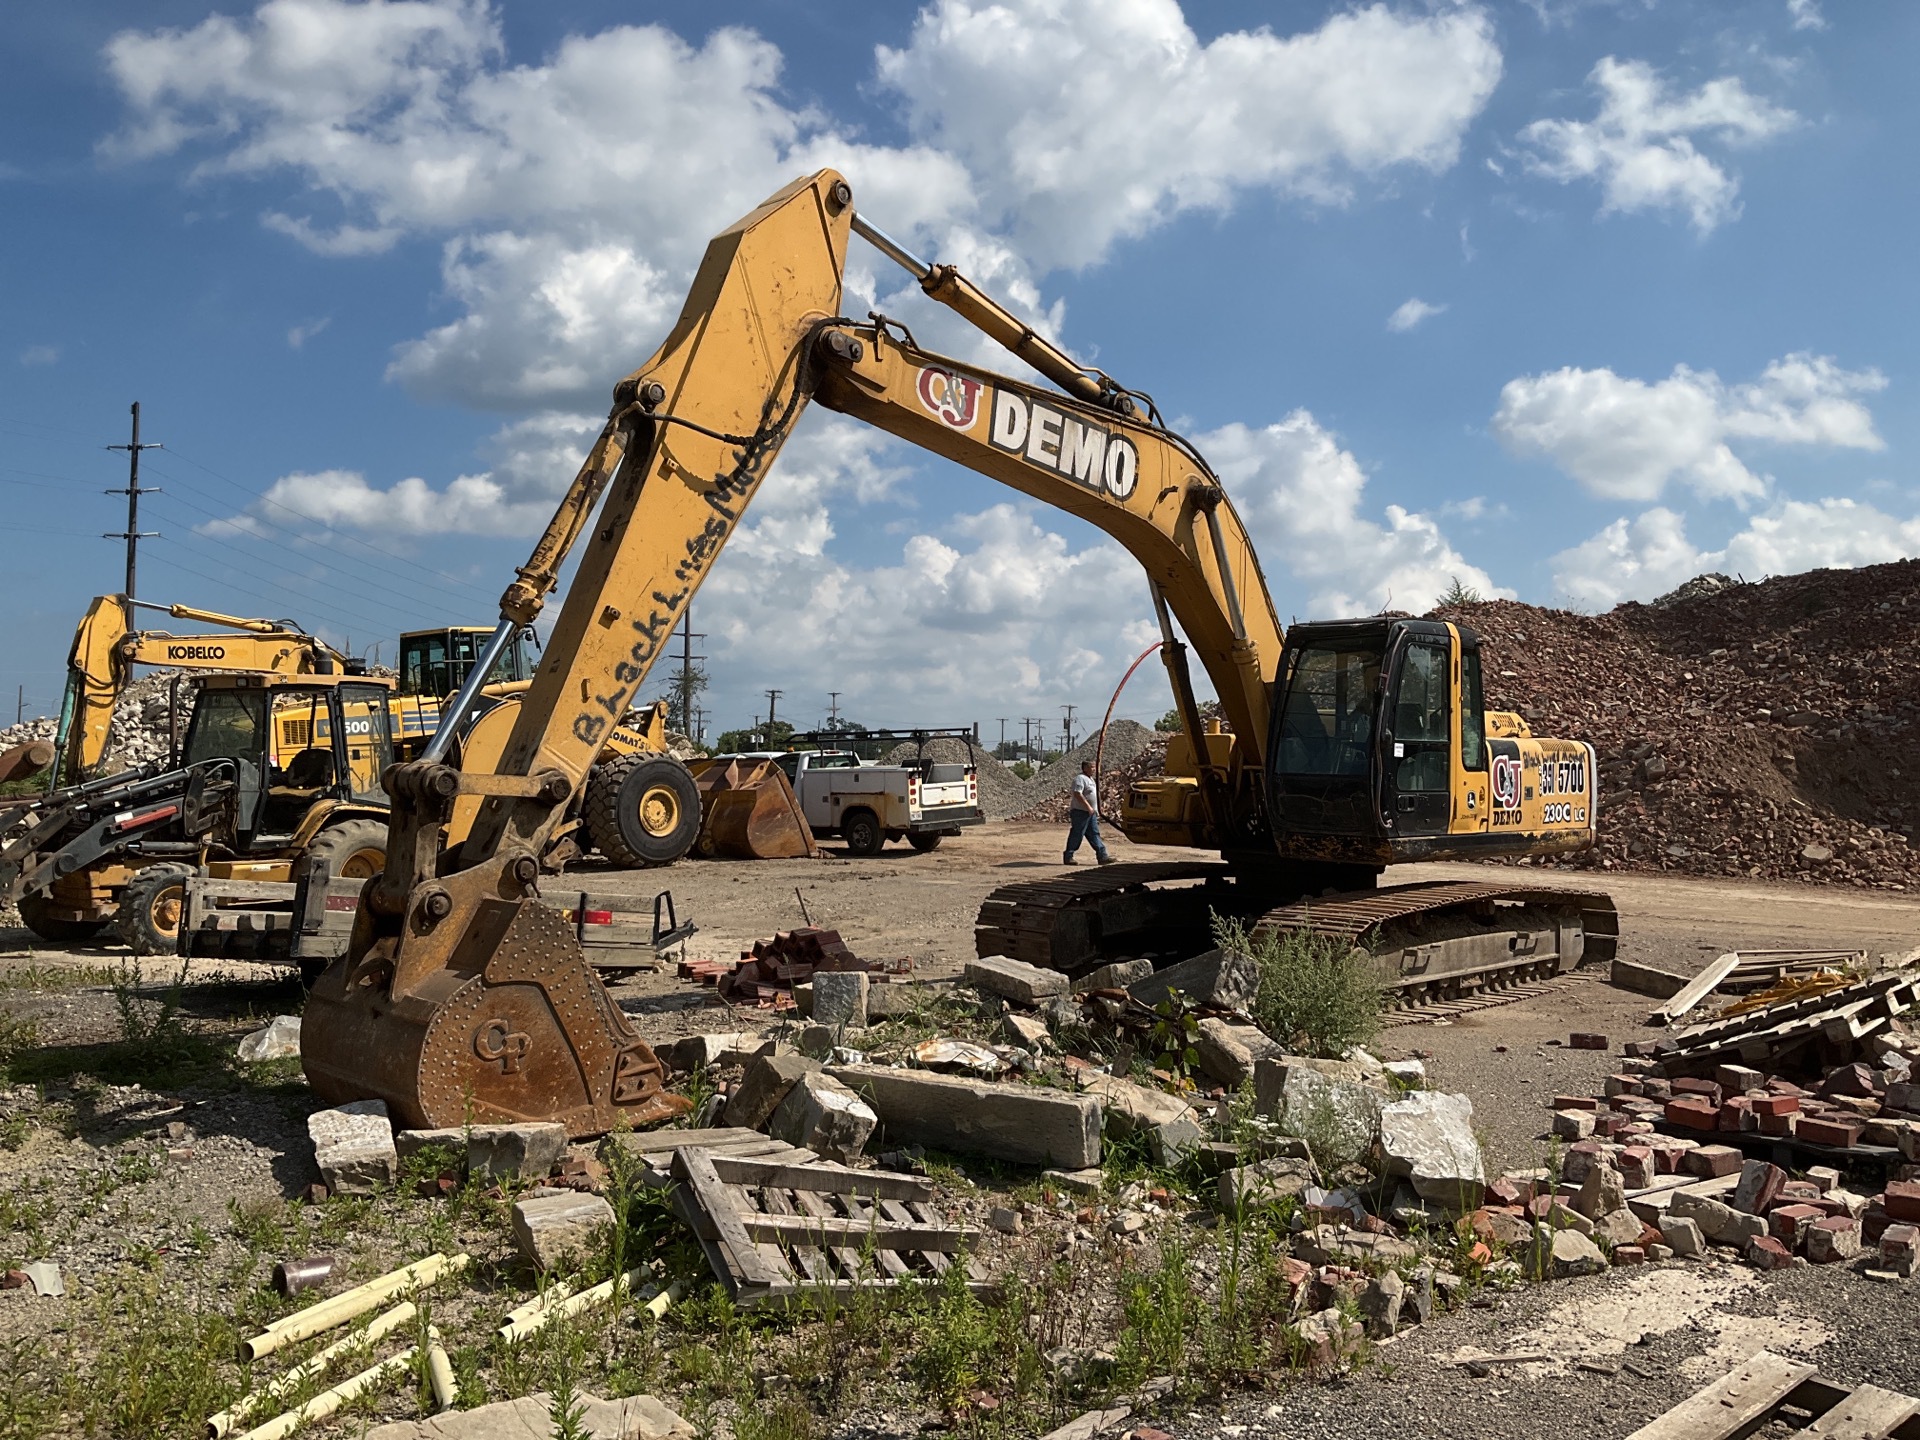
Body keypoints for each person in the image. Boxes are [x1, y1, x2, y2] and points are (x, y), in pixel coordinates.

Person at [1064, 760, 1115, 865]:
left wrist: (1095, 809)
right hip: (1080, 812)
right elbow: (1078, 794)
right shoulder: (1080, 779)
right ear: (1085, 768)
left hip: (1090, 813)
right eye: (1092, 767)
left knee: (1094, 834)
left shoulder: (1091, 779)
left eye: (1094, 767)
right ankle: (1068, 856)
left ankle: (1102, 856)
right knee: (1077, 834)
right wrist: (1088, 807)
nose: (1094, 769)